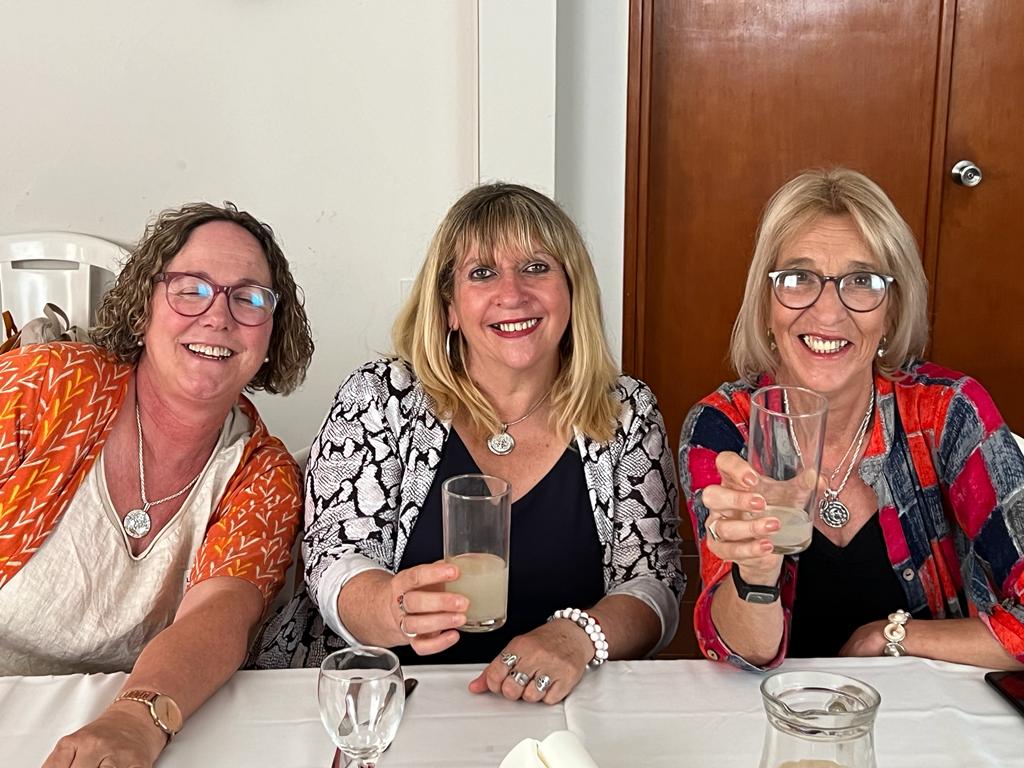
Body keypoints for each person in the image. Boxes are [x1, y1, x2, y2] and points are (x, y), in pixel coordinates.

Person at [256, 182, 683, 704]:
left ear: (572, 291)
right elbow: (331, 562)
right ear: (450, 307)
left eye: (536, 267)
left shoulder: (626, 410)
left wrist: (579, 636)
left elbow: (654, 583)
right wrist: (389, 607)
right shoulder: (381, 396)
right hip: (380, 706)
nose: (513, 293)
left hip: (557, 710)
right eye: (482, 273)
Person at [0, 202, 314, 767]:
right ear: (143, 307)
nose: (218, 317)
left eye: (249, 298)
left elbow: (221, 616)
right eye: (191, 290)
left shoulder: (263, 474)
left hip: (132, 728)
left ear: (273, 332)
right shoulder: (47, 385)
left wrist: (133, 719)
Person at [679, 168, 1024, 671]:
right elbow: (740, 655)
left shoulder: (947, 411)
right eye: (798, 278)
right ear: (767, 305)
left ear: (891, 309)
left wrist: (891, 636)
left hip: (927, 711)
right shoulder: (724, 426)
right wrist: (757, 569)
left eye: (861, 282)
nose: (828, 313)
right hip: (774, 709)